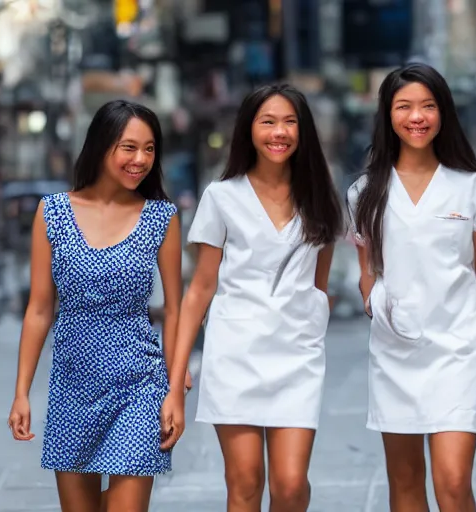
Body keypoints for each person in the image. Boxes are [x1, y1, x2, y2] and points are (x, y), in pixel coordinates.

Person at [7, 99, 187, 512]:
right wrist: (22, 392)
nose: (140, 159)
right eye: (129, 147)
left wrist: (174, 388)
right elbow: (39, 309)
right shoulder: (51, 213)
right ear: (101, 145)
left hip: (139, 386)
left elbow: (175, 309)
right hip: (72, 386)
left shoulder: (162, 217)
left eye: (149, 149)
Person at [171, 83, 344, 512]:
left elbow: (318, 285)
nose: (278, 132)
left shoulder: (320, 197)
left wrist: (307, 321)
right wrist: (175, 378)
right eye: (267, 122)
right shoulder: (222, 197)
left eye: (289, 122)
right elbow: (200, 290)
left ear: (303, 131)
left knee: (289, 485)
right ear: (249, 130)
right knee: (245, 484)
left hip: (296, 360)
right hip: (235, 357)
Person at [346, 63, 476, 511]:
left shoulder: (474, 186)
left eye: (427, 106)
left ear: (443, 113)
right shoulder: (365, 192)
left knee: (454, 484)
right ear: (388, 115)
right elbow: (368, 267)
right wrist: (372, 301)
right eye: (404, 107)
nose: (416, 117)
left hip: (459, 351)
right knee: (405, 485)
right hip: (394, 352)